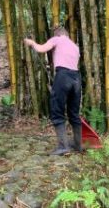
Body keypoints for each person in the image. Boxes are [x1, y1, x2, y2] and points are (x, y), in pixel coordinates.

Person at [24, 26, 82, 155]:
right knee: (74, 112)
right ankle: (78, 144)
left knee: (57, 110)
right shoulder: (75, 46)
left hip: (63, 76)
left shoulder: (58, 39)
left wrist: (32, 43)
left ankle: (63, 147)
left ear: (58, 34)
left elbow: (41, 49)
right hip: (76, 78)